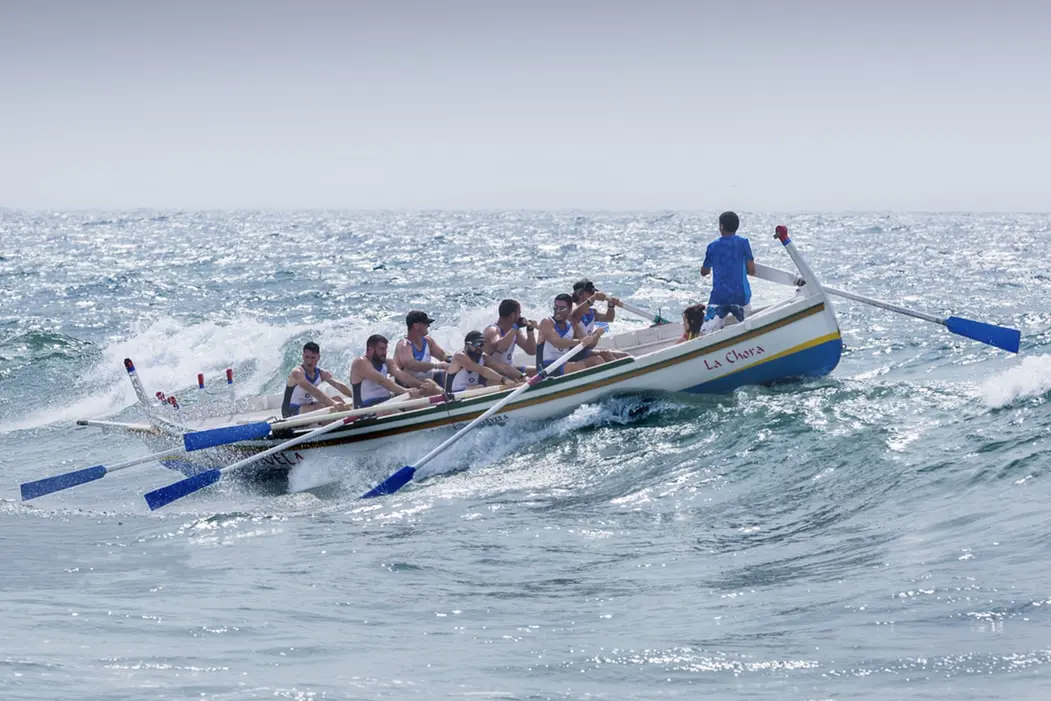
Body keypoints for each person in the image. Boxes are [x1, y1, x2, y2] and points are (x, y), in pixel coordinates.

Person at [700, 211, 756, 333]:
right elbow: (752, 270)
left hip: (719, 297)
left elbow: (704, 271)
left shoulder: (712, 246)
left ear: (721, 226)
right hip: (741, 296)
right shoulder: (743, 242)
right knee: (747, 329)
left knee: (706, 331)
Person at [281, 342, 355, 418]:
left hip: (308, 406)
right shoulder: (297, 373)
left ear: (318, 357)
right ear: (303, 356)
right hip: (291, 412)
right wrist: (333, 403)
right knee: (320, 407)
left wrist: (356, 397)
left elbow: (340, 386)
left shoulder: (322, 373)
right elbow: (313, 391)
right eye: (307, 357)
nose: (309, 362)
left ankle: (353, 420)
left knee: (338, 399)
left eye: (313, 358)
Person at [537, 293, 605, 376]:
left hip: (564, 363)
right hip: (546, 367)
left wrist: (596, 334)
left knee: (597, 360)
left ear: (569, 310)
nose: (557, 311)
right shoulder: (547, 322)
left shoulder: (572, 324)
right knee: (577, 367)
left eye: (561, 308)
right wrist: (580, 342)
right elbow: (557, 342)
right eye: (555, 308)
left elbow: (589, 344)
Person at [350, 334, 420, 409]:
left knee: (416, 400)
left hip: (386, 403)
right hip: (365, 410)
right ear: (370, 350)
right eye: (382, 349)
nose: (385, 352)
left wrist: (422, 385)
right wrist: (405, 391)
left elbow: (403, 376)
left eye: (386, 349)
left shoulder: (388, 362)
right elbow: (382, 381)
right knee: (387, 410)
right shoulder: (360, 362)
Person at [391, 310, 448, 396]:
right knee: (430, 383)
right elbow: (411, 365)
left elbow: (442, 355)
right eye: (426, 323)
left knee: (448, 372)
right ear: (416, 326)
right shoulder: (404, 345)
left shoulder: (428, 341)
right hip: (410, 386)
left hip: (427, 381)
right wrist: (436, 366)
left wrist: (452, 359)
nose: (428, 326)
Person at [571, 279, 630, 361]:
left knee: (625, 355)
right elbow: (589, 344)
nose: (592, 294)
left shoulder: (592, 312)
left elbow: (609, 318)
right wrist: (597, 334)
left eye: (593, 293)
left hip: (585, 351)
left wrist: (611, 306)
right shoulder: (573, 313)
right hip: (574, 354)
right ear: (580, 294)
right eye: (590, 293)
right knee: (606, 354)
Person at [446, 331, 521, 393]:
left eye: (481, 344)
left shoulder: (483, 356)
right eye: (476, 344)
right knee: (482, 386)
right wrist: (504, 380)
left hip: (472, 390)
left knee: (496, 382)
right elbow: (483, 371)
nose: (479, 347)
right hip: (454, 394)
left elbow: (503, 367)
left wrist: (522, 376)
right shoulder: (459, 356)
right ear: (467, 345)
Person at [483, 299, 537, 382]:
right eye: (519, 313)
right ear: (512, 315)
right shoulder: (493, 330)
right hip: (495, 373)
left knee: (540, 371)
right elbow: (501, 348)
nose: (521, 316)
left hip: (510, 370)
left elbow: (531, 351)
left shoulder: (515, 331)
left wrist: (530, 331)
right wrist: (515, 328)